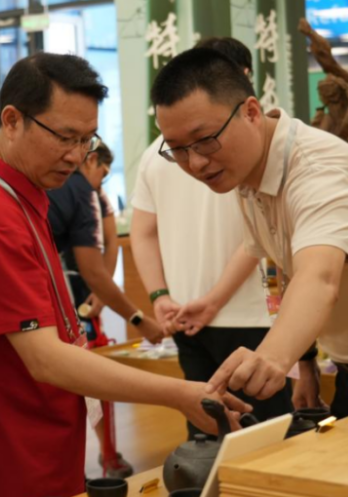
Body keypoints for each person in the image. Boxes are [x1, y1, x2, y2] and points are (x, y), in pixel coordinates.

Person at [0, 52, 250, 497]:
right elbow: (46, 359)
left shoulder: (22, 195)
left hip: (35, 446)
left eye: (87, 140)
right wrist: (178, 393)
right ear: (12, 120)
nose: (76, 155)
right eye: (64, 136)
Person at [151, 47, 348, 422]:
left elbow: (319, 277)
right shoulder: (247, 171)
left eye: (205, 140)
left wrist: (275, 355)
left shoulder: (314, 168)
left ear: (251, 112)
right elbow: (282, 271)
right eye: (177, 150)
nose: (195, 163)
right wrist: (305, 364)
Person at [131, 38, 305, 438]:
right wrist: (207, 302)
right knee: (265, 439)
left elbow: (142, 233)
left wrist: (162, 298)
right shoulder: (248, 146)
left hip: (186, 317)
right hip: (247, 316)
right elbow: (258, 235)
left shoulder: (162, 148)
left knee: (207, 438)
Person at [48, 140, 161, 478]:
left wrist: (101, 291)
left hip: (75, 293)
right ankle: (83, 463)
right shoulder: (80, 190)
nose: (102, 180)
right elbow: (96, 266)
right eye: (102, 173)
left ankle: (105, 456)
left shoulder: (92, 193)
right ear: (91, 158)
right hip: (67, 292)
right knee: (85, 376)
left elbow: (110, 244)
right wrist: (138, 318)